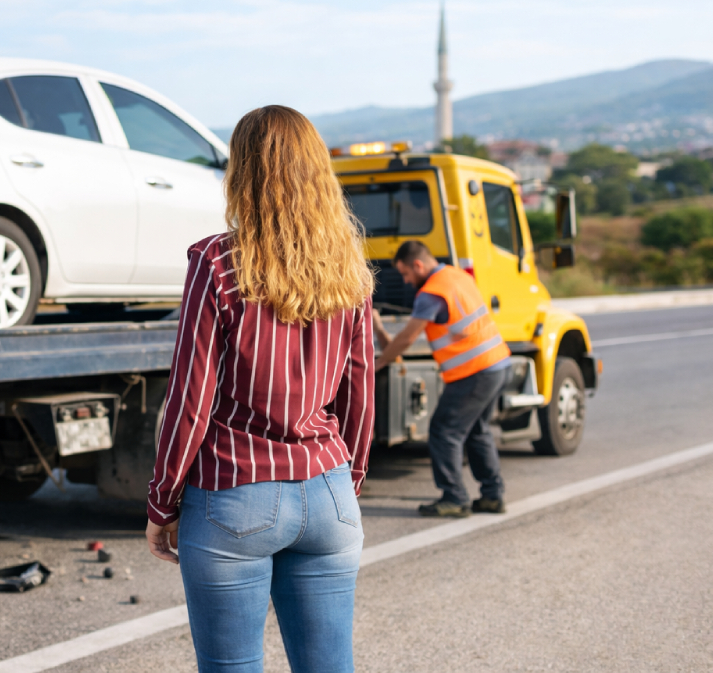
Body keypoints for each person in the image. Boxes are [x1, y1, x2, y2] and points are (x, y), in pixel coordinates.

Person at [144, 105, 375, 673]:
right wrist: (351, 480)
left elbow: (190, 398)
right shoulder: (348, 265)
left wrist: (162, 499)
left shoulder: (217, 263)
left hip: (234, 489)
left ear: (241, 172)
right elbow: (361, 390)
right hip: (329, 488)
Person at [372, 240, 512, 518]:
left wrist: (380, 361)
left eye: (406, 274)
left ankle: (455, 498)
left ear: (418, 265)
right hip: (497, 363)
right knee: (477, 432)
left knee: (443, 432)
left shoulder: (431, 294)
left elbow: (407, 338)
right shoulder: (457, 275)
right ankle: (492, 496)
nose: (406, 280)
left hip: (474, 371)